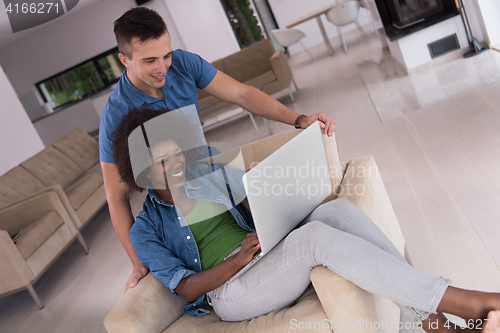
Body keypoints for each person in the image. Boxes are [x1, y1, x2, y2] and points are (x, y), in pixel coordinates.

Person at [112, 107, 500, 333]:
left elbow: (255, 207)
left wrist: (271, 204)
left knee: (333, 210)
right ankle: (466, 304)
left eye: (176, 153)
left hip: (266, 254)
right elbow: (185, 289)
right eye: (161, 162)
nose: (175, 164)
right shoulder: (146, 230)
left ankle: (432, 323)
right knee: (313, 238)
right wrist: (237, 260)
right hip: (230, 290)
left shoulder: (207, 175)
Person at [99, 6, 336, 292]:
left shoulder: (183, 64)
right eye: (150, 60)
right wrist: (138, 263)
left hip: (210, 178)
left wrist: (300, 120)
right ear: (125, 59)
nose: (163, 67)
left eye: (166, 54)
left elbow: (241, 93)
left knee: (316, 212)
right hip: (175, 197)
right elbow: (116, 195)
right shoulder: (116, 113)